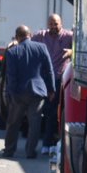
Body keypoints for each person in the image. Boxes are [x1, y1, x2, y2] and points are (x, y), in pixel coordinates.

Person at [0, 25, 55, 159]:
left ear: (17, 37)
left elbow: (11, 76)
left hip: (19, 93)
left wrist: (10, 94)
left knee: (13, 123)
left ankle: (9, 150)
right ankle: (30, 152)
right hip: (37, 92)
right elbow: (49, 70)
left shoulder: (12, 52)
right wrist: (51, 89)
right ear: (29, 35)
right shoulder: (41, 48)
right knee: (34, 124)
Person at [31, 13, 73, 152]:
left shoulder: (69, 36)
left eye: (56, 23)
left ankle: (49, 143)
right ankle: (47, 143)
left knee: (53, 112)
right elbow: (27, 40)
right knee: (42, 111)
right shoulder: (41, 36)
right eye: (51, 24)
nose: (53, 26)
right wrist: (15, 43)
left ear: (61, 23)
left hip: (59, 79)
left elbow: (81, 47)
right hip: (43, 80)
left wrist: (72, 52)